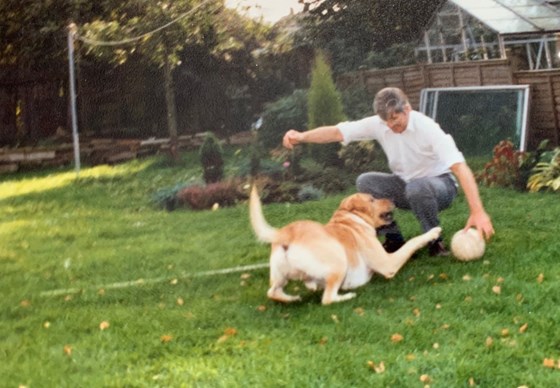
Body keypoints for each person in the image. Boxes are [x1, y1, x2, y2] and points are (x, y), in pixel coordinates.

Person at [282, 87, 494, 256]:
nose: (391, 126)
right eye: (386, 121)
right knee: (366, 182)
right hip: (405, 185)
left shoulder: (427, 128)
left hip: (440, 186)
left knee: (417, 187)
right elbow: (338, 132)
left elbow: (460, 167)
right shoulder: (380, 124)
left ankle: (434, 242)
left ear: (407, 109)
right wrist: (302, 136)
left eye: (395, 118)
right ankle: (393, 240)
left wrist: (478, 211)